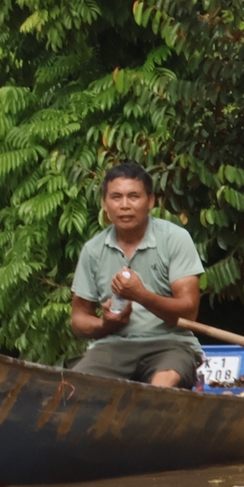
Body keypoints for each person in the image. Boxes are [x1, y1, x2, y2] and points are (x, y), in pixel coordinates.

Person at [68, 162, 205, 388]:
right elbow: (79, 318)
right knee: (75, 388)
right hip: (113, 346)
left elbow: (189, 312)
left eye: (133, 196)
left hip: (170, 344)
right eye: (116, 197)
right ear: (104, 203)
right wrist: (107, 325)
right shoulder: (93, 250)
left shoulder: (175, 238)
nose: (125, 205)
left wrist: (141, 295)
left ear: (150, 201)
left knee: (162, 386)